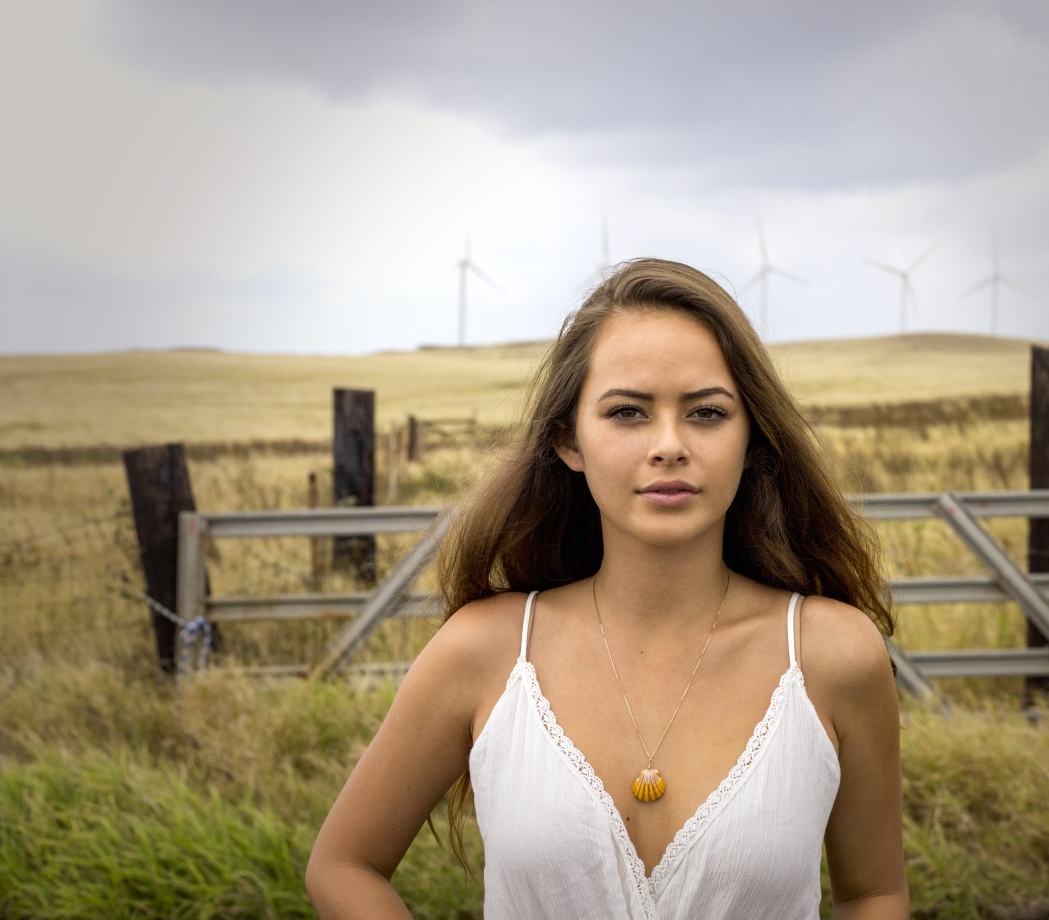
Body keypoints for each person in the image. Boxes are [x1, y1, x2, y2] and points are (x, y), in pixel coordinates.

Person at [307, 258, 908, 919]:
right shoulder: (485, 651)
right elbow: (344, 865)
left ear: (753, 440)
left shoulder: (832, 655)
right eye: (627, 412)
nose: (669, 445)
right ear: (568, 439)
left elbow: (873, 893)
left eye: (708, 412)